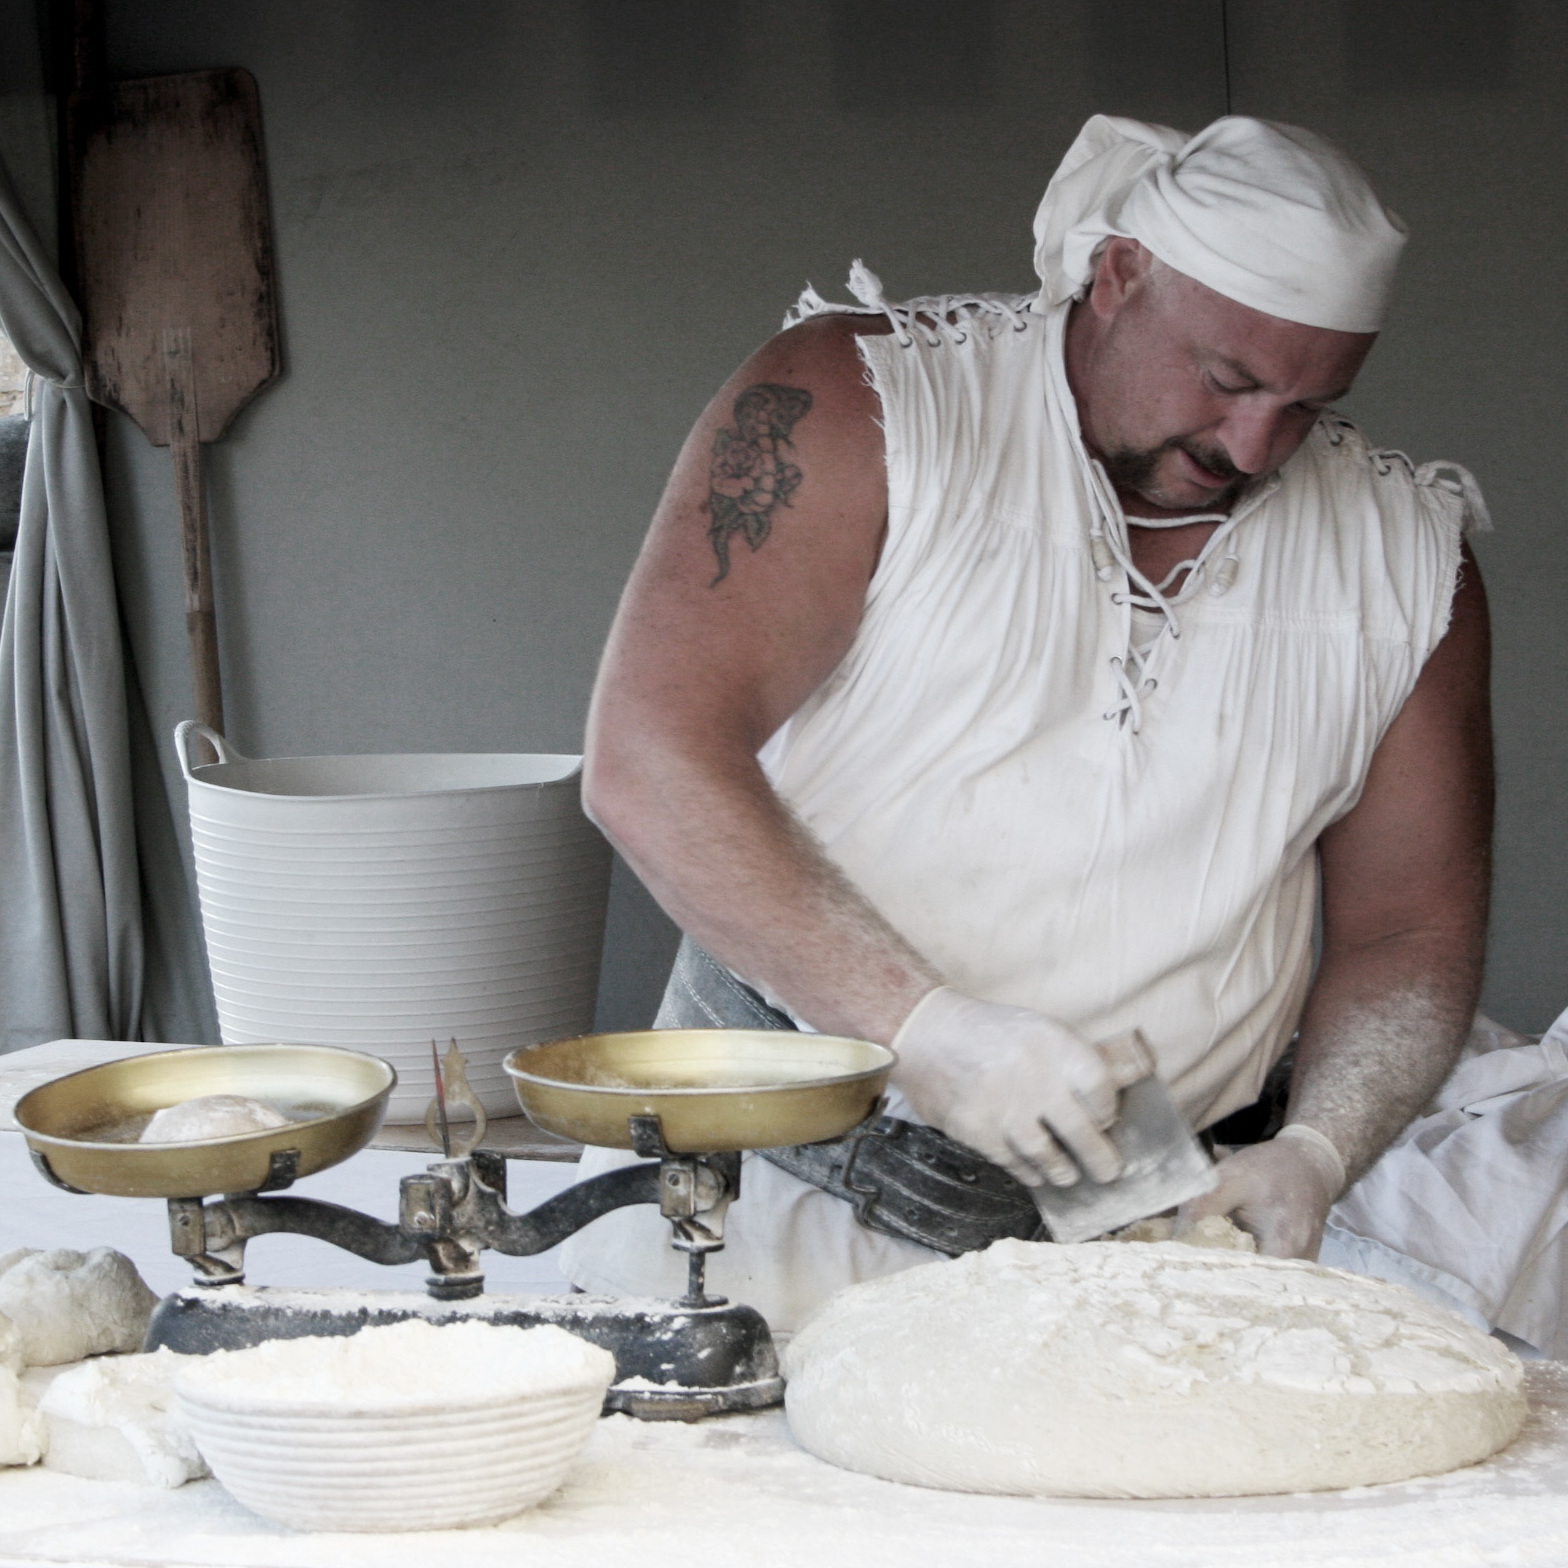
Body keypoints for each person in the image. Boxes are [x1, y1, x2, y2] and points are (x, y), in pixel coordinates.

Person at [558, 116, 1495, 1333]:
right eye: (1226, 378)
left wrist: (1316, 1147)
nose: (1253, 445)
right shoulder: (867, 403)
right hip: (764, 1213)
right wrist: (919, 1027)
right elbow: (648, 759)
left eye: (1307, 404)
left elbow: (1408, 928)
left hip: (1143, 1256)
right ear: (1118, 275)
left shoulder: (1403, 561)